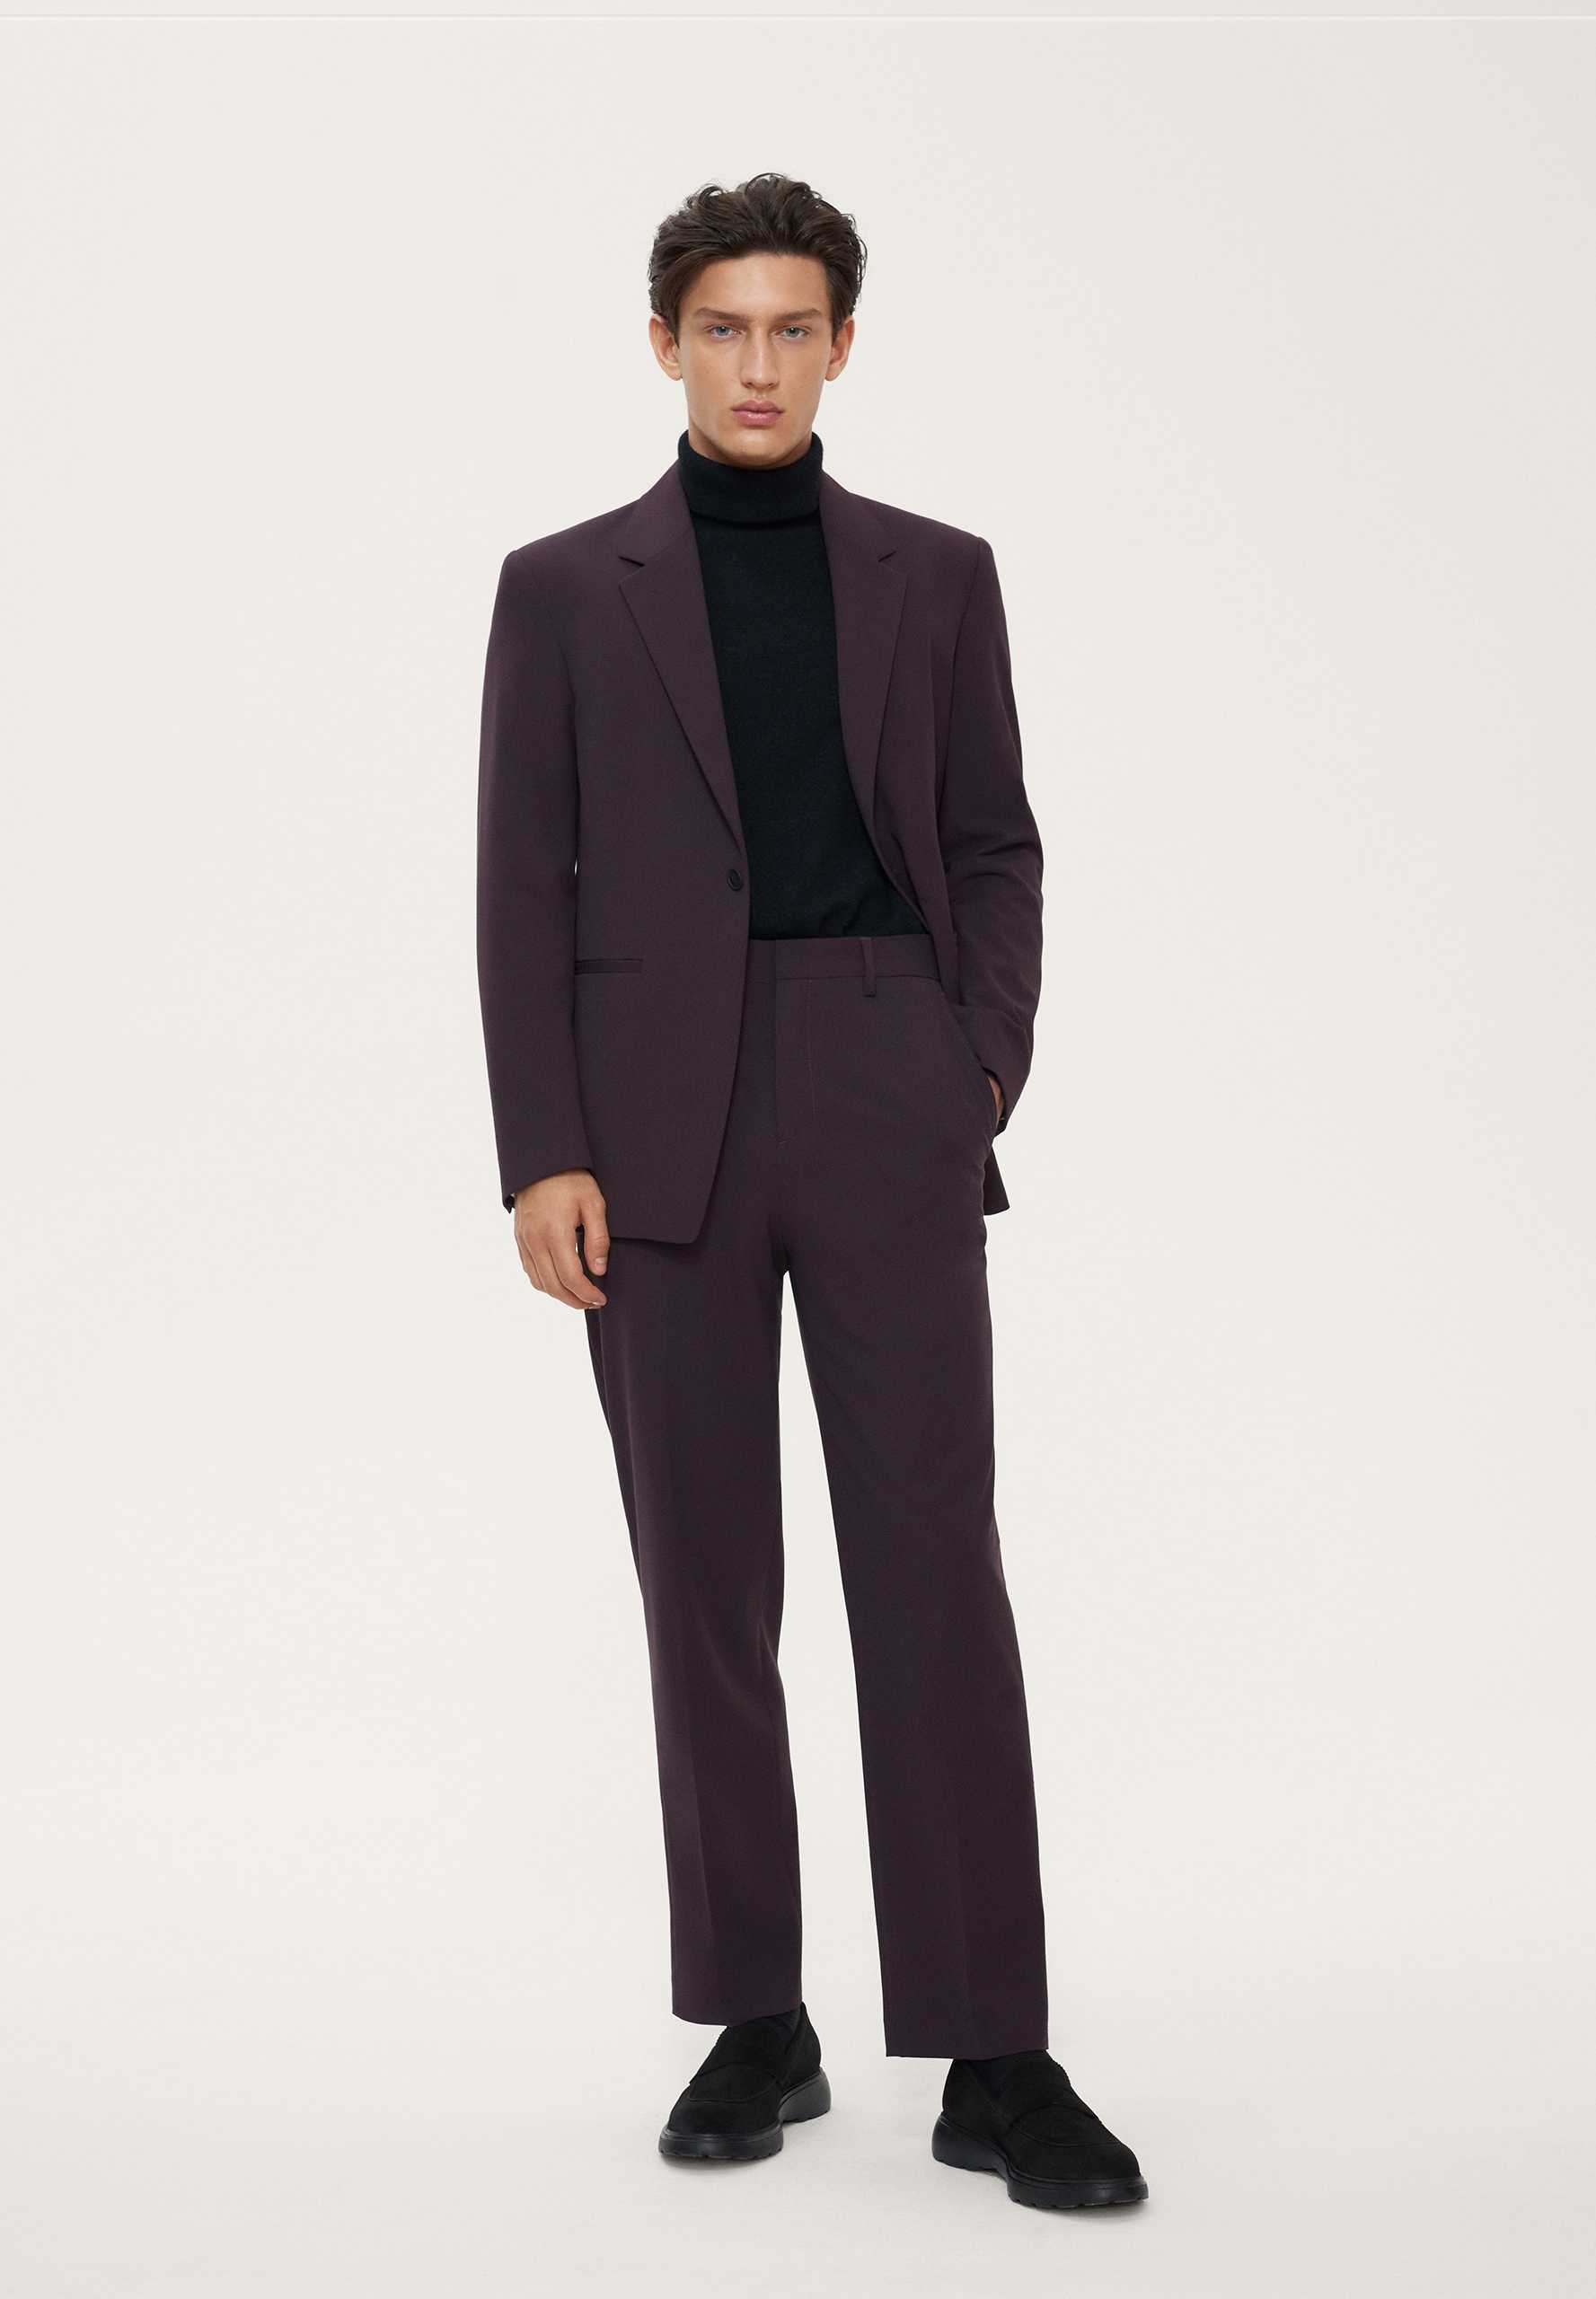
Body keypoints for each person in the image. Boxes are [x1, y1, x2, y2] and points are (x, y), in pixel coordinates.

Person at [476, 171, 1146, 2210]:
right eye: (721, 329)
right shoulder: (562, 589)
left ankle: (994, 2050)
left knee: (932, 1566)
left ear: (841, 344)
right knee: (705, 1577)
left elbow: (996, 842)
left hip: (882, 1080)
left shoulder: (938, 574)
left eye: (791, 329)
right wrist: (542, 1146)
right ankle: (753, 2016)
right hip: (648, 1122)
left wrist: (974, 1064)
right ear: (663, 343)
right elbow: (521, 885)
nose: (756, 365)